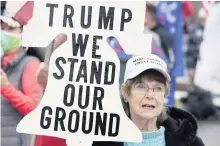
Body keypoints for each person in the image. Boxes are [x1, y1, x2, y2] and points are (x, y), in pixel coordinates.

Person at [35, 54, 204, 146]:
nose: (150, 95)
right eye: (141, 86)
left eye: (157, 88)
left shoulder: (188, 141)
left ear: (165, 94)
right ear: (125, 92)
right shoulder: (100, 140)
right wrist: (53, 90)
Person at [1, 1, 41, 146]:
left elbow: (34, 109)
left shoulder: (30, 64)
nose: (4, 32)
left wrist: (6, 88)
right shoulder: (3, 64)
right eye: (2, 27)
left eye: (10, 29)